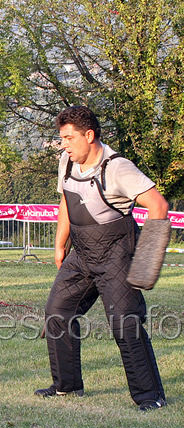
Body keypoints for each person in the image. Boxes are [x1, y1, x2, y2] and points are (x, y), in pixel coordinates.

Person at [35, 105, 167, 411]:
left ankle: (150, 397)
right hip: (82, 254)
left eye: (68, 138)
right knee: (57, 312)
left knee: (124, 323)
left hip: (116, 255)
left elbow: (158, 205)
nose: (63, 144)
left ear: (89, 135)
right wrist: (60, 243)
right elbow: (67, 200)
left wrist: (146, 264)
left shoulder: (118, 168)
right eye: (62, 138)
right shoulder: (67, 161)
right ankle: (66, 386)